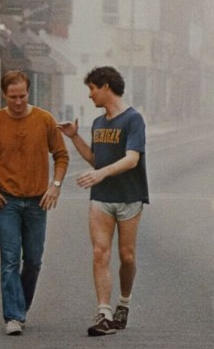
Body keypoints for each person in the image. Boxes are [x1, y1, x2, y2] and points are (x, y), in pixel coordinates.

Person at [0, 70, 69, 336]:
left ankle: (20, 307)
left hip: (37, 202)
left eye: (22, 96)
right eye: (13, 97)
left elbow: (61, 155)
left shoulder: (44, 120)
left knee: (33, 260)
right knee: (10, 260)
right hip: (6, 202)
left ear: (28, 92)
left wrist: (55, 186)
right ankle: (13, 315)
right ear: (4, 95)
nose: (19, 102)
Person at [58, 66, 149, 337]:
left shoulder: (133, 119)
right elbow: (96, 160)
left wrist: (101, 173)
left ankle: (124, 303)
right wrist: (74, 137)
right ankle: (104, 312)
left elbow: (132, 159)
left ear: (106, 86)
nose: (90, 95)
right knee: (100, 252)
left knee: (127, 256)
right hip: (101, 198)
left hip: (129, 197)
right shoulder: (98, 123)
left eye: (92, 89)